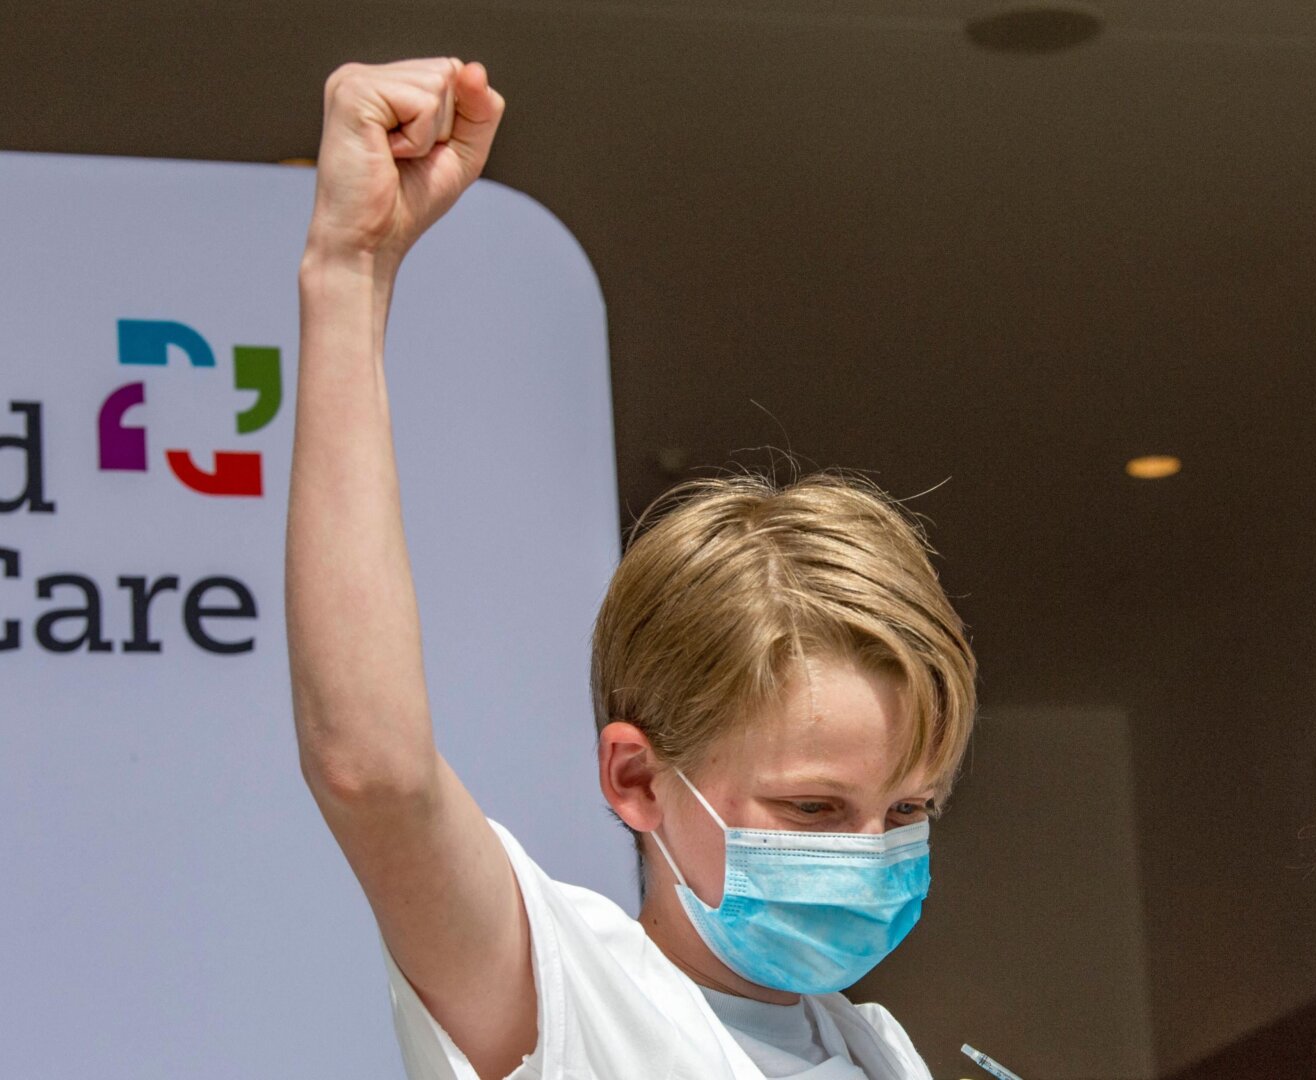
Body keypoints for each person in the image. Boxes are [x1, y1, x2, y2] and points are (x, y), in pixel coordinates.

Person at [288, 58, 976, 1080]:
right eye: (814, 811)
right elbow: (374, 773)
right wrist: (349, 272)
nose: (870, 857)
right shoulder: (563, 994)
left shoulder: (882, 1052)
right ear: (638, 779)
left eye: (908, 811)